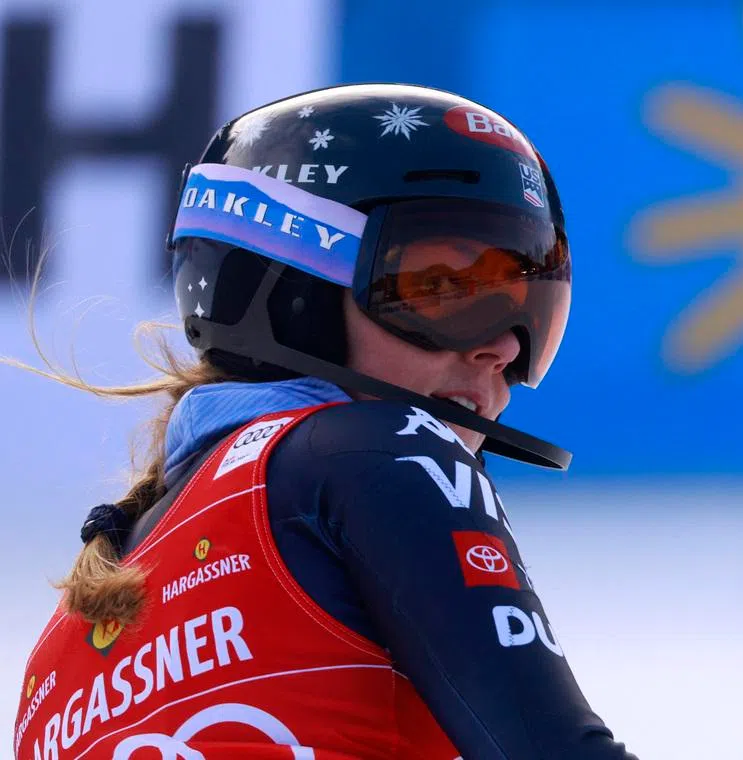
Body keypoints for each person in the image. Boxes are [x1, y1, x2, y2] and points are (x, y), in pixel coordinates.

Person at [12, 84, 637, 759]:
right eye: (440, 288)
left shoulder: (56, 659)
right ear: (294, 295)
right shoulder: (379, 450)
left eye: (531, 308)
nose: (506, 347)